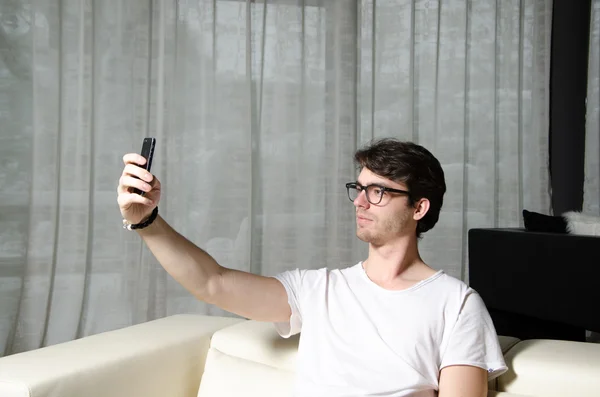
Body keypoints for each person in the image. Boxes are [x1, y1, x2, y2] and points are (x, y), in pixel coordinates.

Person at [117, 138, 507, 397]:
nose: (360, 202)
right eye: (359, 188)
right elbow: (213, 283)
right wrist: (147, 222)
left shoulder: (456, 303)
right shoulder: (318, 289)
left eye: (378, 191)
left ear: (418, 207)